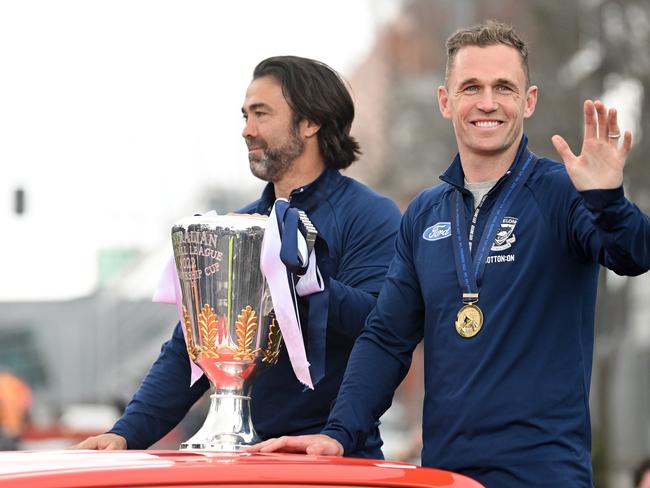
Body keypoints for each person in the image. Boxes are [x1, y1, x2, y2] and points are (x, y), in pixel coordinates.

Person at [249, 21, 650, 486]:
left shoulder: (564, 192)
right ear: (446, 101)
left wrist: (608, 200)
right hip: (446, 474)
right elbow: (386, 337)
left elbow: (633, 253)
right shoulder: (424, 213)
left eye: (504, 87)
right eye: (470, 87)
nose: (487, 102)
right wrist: (338, 432)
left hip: (543, 474)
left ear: (529, 100)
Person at [71, 56, 401, 456]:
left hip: (333, 458)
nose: (247, 130)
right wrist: (125, 434)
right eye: (245, 115)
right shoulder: (239, 225)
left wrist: (304, 280)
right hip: (240, 457)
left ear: (311, 122)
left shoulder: (369, 215)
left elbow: (382, 327)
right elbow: (191, 349)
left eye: (261, 114)